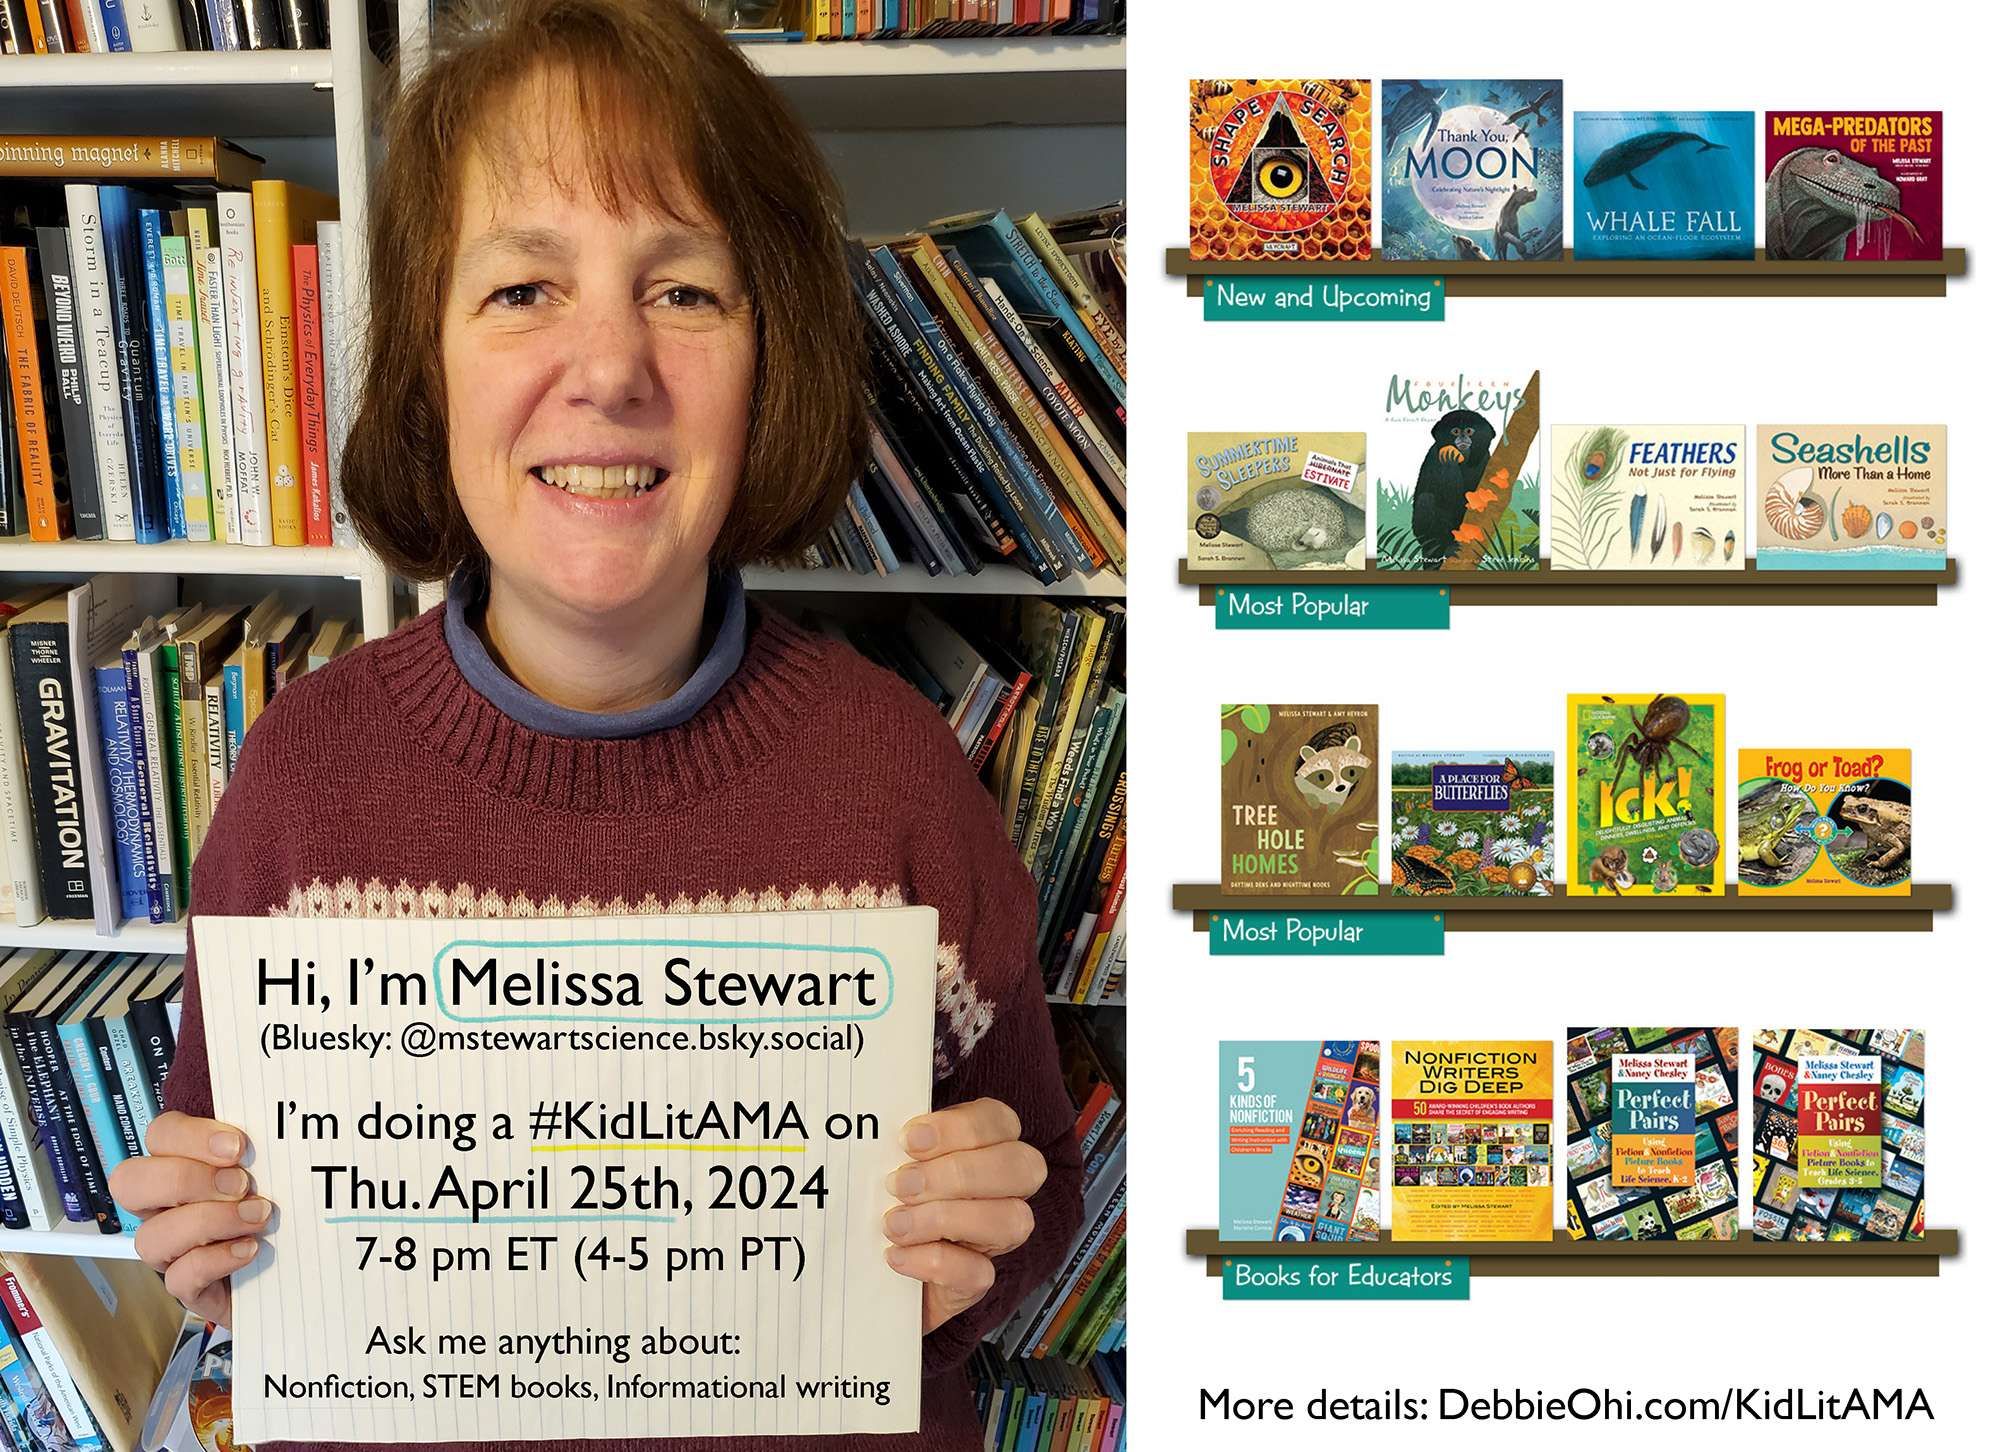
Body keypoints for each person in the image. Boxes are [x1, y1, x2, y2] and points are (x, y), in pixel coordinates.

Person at [106, 0, 1085, 1444]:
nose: (612, 365)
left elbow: (1046, 1194)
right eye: (522, 291)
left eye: (686, 291)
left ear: (771, 363)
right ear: (427, 363)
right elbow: (231, 1189)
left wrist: (985, 1241)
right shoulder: (301, 775)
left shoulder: (897, 773)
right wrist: (209, 1244)